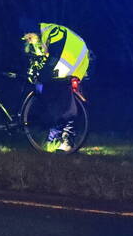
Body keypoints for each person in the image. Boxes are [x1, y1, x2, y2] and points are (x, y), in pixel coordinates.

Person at [22, 22, 90, 152]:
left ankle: (66, 138)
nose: (30, 41)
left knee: (57, 93)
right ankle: (57, 135)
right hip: (74, 61)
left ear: (34, 32)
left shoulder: (52, 31)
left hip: (73, 60)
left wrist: (41, 76)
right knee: (55, 94)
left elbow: (55, 56)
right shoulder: (47, 35)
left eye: (30, 37)